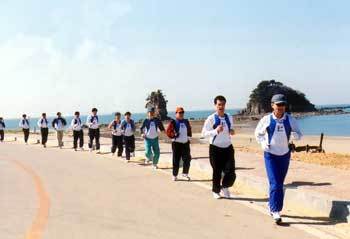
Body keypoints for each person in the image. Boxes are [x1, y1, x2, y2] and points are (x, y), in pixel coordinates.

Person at [255, 94, 302, 224]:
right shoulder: (267, 119)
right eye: (278, 104)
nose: (281, 107)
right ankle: (276, 210)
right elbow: (258, 134)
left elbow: (299, 134)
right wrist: (263, 142)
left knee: (278, 184)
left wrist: (295, 136)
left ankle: (271, 204)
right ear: (272, 105)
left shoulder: (290, 120)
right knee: (275, 182)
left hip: (285, 155)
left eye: (283, 104)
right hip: (270, 155)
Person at [202, 95, 236, 199]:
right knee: (217, 171)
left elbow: (232, 129)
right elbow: (203, 133)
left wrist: (232, 131)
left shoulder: (229, 117)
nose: (221, 107)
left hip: (228, 147)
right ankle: (216, 191)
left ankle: (225, 186)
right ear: (215, 105)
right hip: (215, 148)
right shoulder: (211, 118)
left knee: (230, 171)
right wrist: (215, 131)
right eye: (219, 104)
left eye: (223, 104)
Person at [166, 106, 192, 181]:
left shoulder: (186, 121)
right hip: (176, 144)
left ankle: (185, 173)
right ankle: (175, 175)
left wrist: (189, 137)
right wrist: (174, 135)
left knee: (187, 159)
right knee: (176, 160)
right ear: (176, 113)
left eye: (182, 112)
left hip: (185, 143)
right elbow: (168, 132)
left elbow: (189, 129)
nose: (181, 114)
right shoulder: (173, 122)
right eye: (180, 113)